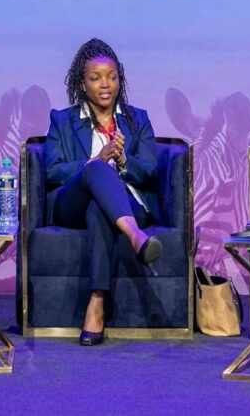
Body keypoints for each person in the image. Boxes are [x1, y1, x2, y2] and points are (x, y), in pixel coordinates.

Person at [44, 38, 163, 346]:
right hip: (71, 203)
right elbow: (53, 170)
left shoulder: (138, 120)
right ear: (83, 84)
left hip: (125, 203)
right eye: (96, 78)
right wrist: (95, 161)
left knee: (99, 208)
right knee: (97, 169)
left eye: (112, 77)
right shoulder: (63, 121)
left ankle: (96, 302)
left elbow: (150, 170)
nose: (105, 84)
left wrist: (123, 161)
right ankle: (136, 236)